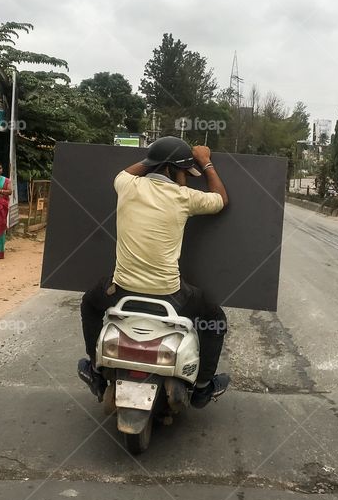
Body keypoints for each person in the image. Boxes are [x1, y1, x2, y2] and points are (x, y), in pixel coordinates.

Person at [78, 136, 231, 409]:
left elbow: (133, 170)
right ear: (173, 169)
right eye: (183, 172)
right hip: (170, 294)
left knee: (90, 304)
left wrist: (158, 159)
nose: (185, 178)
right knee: (215, 319)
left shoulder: (125, 184)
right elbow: (220, 199)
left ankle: (95, 370)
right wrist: (205, 163)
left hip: (120, 290)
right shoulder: (184, 197)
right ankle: (204, 387)